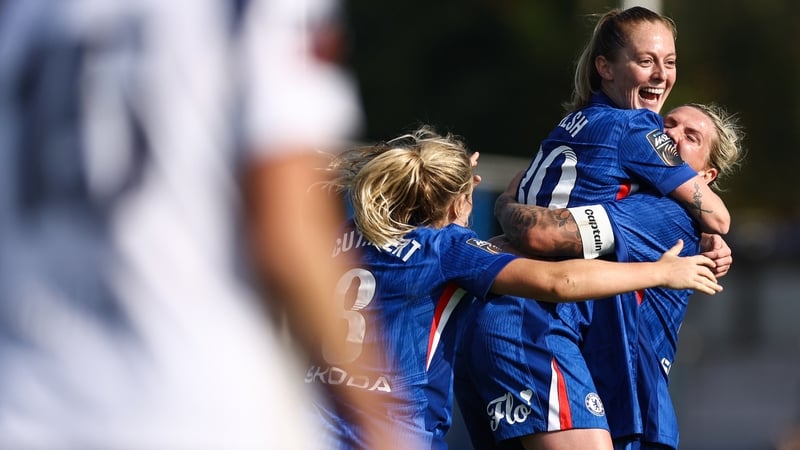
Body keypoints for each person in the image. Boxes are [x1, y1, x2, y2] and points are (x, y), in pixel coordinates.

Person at [0, 0, 391, 448]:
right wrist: (381, 427)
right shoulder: (245, 11)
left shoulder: (23, 15)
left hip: (29, 404)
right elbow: (286, 236)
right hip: (188, 404)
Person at [307, 125, 723, 450]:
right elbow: (560, 281)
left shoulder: (341, 236)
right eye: (468, 192)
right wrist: (664, 271)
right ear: (454, 202)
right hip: (393, 431)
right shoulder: (446, 249)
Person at [473, 102, 744, 450]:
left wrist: (505, 203)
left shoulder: (664, 211)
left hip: (628, 397)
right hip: (608, 386)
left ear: (705, 178)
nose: (672, 134)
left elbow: (542, 235)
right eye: (669, 123)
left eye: (691, 137)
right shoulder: (637, 200)